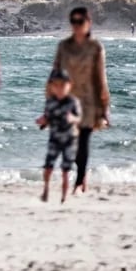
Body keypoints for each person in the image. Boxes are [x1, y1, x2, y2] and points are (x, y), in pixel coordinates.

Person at [52, 6, 110, 193]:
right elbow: (54, 75)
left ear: (88, 23)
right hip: (67, 101)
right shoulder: (63, 47)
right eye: (73, 22)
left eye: (80, 22)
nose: (76, 26)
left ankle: (78, 182)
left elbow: (101, 78)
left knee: (83, 141)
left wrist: (104, 107)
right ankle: (81, 174)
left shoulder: (96, 47)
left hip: (88, 101)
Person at [37, 68, 82, 204]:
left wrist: (72, 118)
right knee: (48, 166)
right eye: (56, 85)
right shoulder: (50, 102)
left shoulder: (73, 102)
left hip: (70, 139)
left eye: (63, 85)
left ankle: (64, 197)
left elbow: (79, 118)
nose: (60, 88)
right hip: (55, 138)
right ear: (51, 87)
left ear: (70, 85)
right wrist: (43, 121)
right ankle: (45, 189)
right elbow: (47, 118)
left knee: (65, 170)